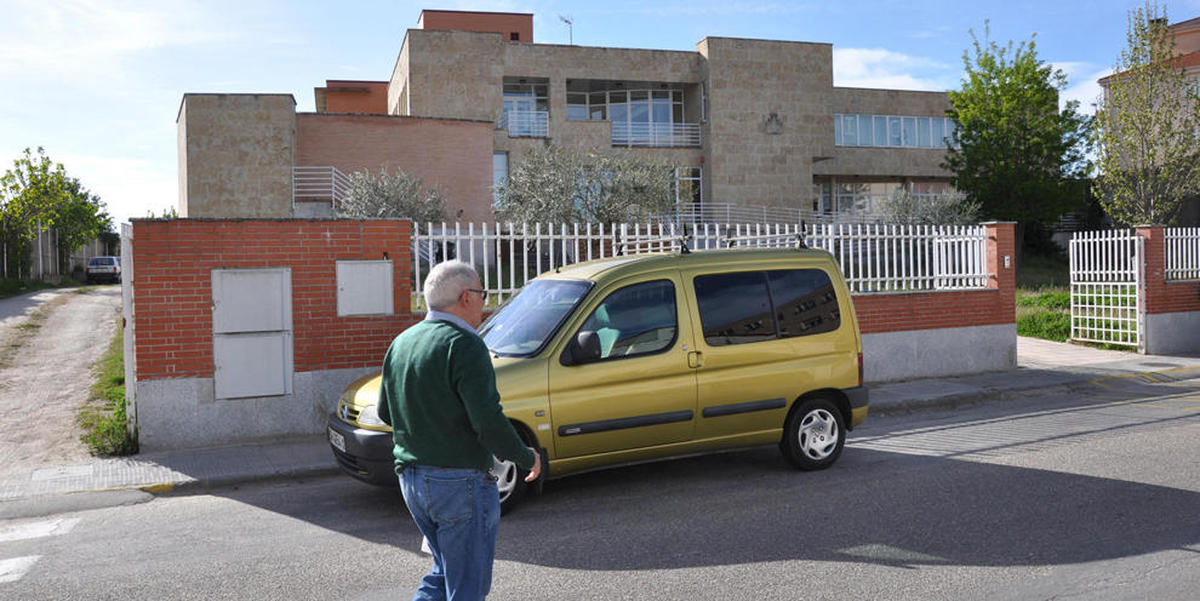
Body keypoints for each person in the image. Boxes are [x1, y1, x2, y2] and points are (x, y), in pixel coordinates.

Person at [378, 259, 541, 601]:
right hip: (458, 483)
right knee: (467, 587)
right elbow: (488, 421)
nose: (485, 302)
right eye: (482, 293)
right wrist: (526, 457)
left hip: (411, 480)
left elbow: (384, 411)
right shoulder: (465, 344)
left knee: (443, 574)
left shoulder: (403, 342)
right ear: (467, 297)